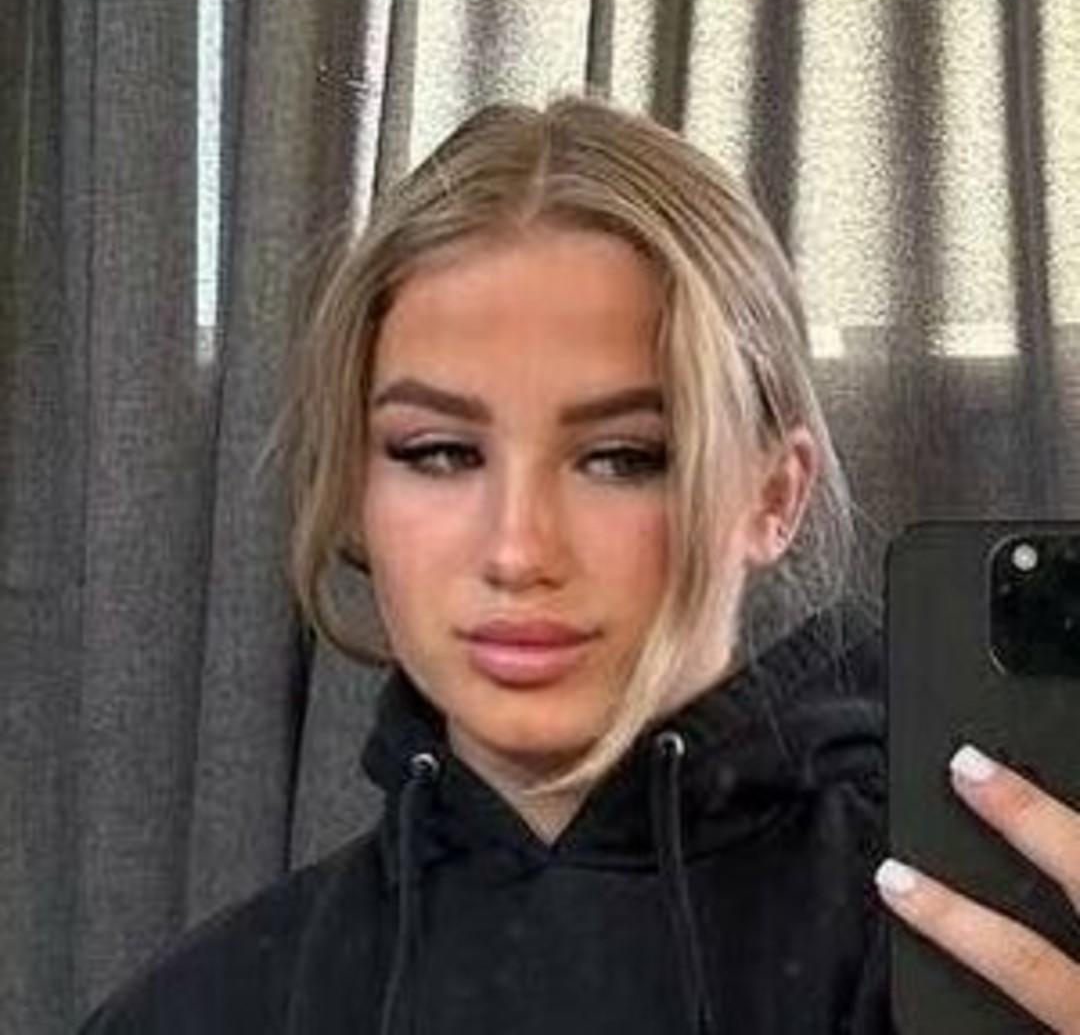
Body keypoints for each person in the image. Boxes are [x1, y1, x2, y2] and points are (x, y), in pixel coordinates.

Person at [80, 95, 1078, 1034]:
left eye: (622, 458)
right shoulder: (208, 1008)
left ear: (774, 498)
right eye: (439, 452)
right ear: (353, 489)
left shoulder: (978, 964)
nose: (518, 551)